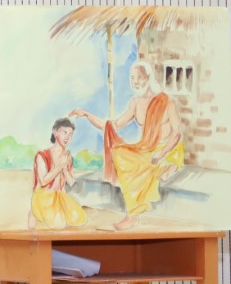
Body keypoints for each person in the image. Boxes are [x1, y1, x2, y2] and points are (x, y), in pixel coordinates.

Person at [70, 59, 182, 230]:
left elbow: (177, 133)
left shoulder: (167, 102)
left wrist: (161, 154)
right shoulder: (135, 103)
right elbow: (112, 125)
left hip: (167, 148)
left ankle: (132, 215)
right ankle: (157, 174)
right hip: (147, 148)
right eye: (132, 78)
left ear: (149, 77)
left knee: (148, 165)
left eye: (140, 77)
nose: (135, 82)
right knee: (119, 152)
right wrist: (86, 114)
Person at [27, 117, 88, 229]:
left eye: (70, 134)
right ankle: (34, 212)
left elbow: (71, 182)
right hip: (44, 195)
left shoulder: (68, 156)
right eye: (64, 132)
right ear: (55, 132)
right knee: (59, 225)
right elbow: (43, 181)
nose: (68, 137)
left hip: (60, 196)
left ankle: (51, 212)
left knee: (80, 219)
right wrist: (60, 166)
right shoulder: (42, 154)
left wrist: (64, 168)